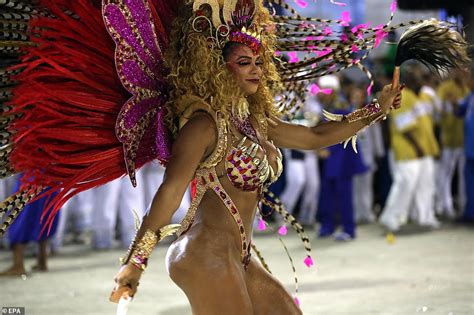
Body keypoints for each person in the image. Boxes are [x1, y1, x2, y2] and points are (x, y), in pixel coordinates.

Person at [8, 0, 471, 314]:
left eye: (257, 61)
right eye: (241, 62)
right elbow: (168, 197)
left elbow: (315, 136)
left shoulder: (253, 119)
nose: (253, 70)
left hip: (240, 253)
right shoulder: (203, 125)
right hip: (204, 253)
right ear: (218, 66)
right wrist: (136, 261)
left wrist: (376, 109)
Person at [379, 64, 440, 232]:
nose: (419, 78)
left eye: (420, 76)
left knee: (424, 186)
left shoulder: (417, 95)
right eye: (415, 76)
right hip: (408, 150)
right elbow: (404, 128)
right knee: (404, 185)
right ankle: (390, 217)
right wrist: (419, 147)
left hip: (422, 150)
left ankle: (424, 217)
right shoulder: (403, 96)